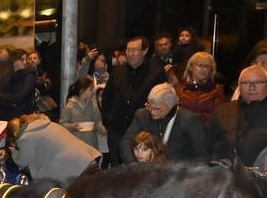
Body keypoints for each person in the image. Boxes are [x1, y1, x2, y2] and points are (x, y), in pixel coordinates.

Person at [207, 65, 267, 167]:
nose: (251, 87)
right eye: (246, 83)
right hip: (223, 176)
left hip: (263, 178)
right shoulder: (221, 111)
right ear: (239, 86)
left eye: (258, 82)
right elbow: (208, 146)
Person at [101, 36, 167, 168]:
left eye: (134, 50)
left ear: (144, 51)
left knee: (141, 171)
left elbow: (162, 101)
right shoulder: (118, 71)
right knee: (117, 168)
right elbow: (106, 97)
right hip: (117, 129)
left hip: (143, 132)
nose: (130, 54)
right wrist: (108, 121)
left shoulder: (156, 72)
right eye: (128, 50)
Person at [120, 83, 206, 164]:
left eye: (157, 109)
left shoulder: (189, 120)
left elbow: (202, 153)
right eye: (149, 106)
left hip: (178, 173)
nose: (152, 112)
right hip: (147, 171)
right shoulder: (142, 115)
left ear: (170, 106)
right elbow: (126, 141)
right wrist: (133, 165)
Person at [7, 113, 101, 186]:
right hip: (89, 161)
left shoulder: (25, 137)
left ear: (14, 136)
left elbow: (23, 161)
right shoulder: (49, 124)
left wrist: (13, 152)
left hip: (77, 171)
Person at [174, 52, 226, 123]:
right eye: (200, 65)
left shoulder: (217, 89)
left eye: (207, 66)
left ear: (211, 70)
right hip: (182, 129)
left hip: (205, 130)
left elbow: (218, 117)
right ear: (191, 67)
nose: (203, 69)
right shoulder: (179, 87)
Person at [0, 49, 37, 121]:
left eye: (26, 59)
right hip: (5, 113)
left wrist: (5, 97)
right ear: (14, 60)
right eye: (22, 59)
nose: (24, 62)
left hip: (21, 114)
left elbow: (22, 94)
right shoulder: (4, 74)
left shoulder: (29, 75)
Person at [59, 77, 105, 149]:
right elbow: (62, 125)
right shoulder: (70, 106)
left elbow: (98, 122)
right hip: (76, 146)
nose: (92, 91)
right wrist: (73, 126)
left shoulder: (93, 104)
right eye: (90, 89)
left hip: (92, 145)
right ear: (82, 91)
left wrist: (107, 131)